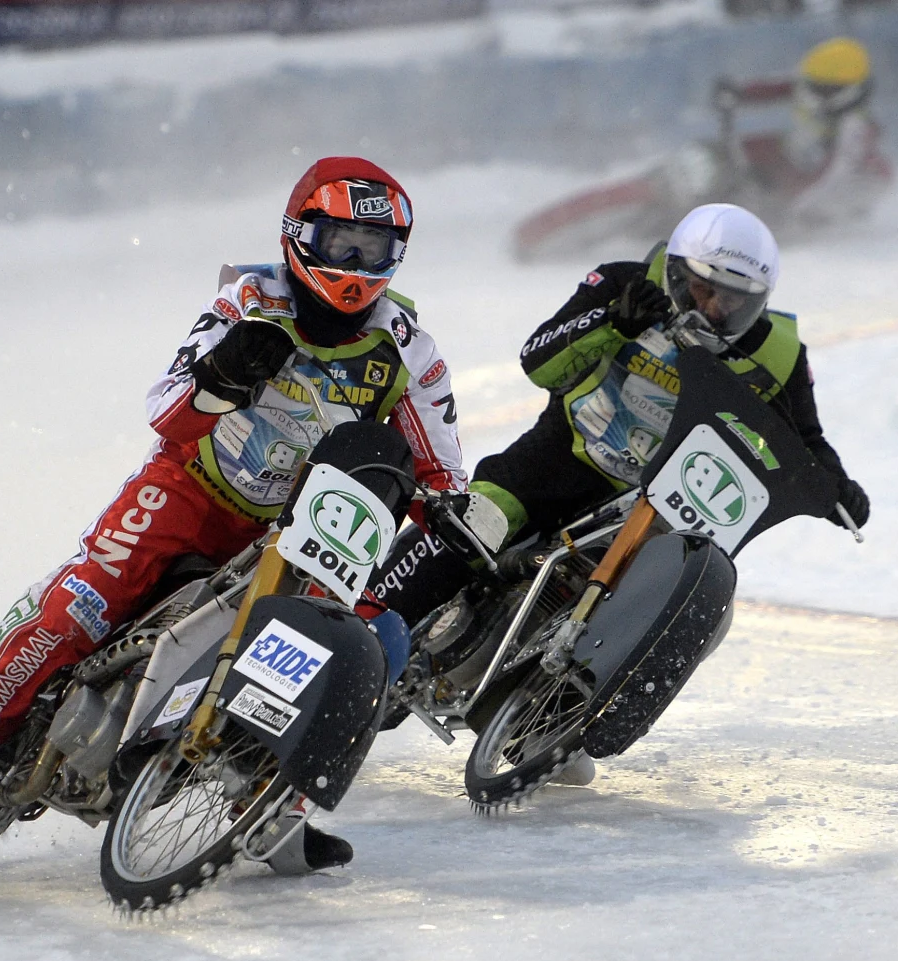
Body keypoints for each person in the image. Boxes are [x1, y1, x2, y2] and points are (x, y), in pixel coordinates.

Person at [0, 156, 467, 870]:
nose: (352, 264)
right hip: (188, 490)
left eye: (370, 250)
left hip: (297, 533)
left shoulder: (408, 351)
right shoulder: (250, 301)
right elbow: (165, 408)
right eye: (337, 242)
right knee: (88, 597)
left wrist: (455, 513)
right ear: (296, 234)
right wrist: (220, 378)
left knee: (369, 645)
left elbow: (441, 467)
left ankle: (277, 806)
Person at [371, 203, 870, 769]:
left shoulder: (779, 351)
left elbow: (806, 439)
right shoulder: (622, 281)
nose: (715, 308)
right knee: (475, 522)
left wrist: (839, 488)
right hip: (561, 458)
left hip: (657, 502)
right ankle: (367, 628)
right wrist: (612, 322)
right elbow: (539, 358)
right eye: (704, 290)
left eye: (735, 301)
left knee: (699, 603)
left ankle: (558, 716)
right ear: (678, 272)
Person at [709, 36, 892, 227]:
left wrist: (791, 213)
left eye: (823, 90)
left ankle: (820, 224)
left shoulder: (854, 127)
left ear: (850, 91)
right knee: (756, 148)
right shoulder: (817, 88)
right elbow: (785, 87)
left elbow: (833, 176)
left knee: (824, 203)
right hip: (810, 160)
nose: (812, 94)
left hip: (849, 181)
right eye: (812, 85)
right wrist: (740, 93)